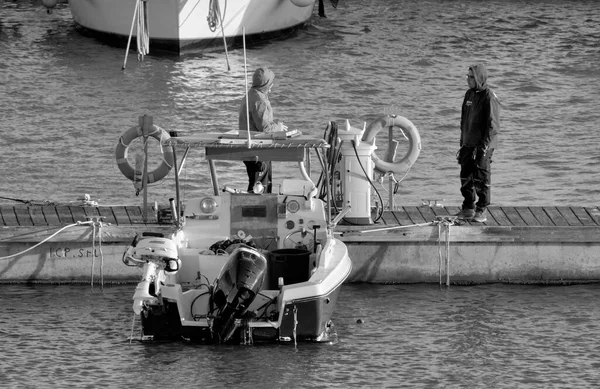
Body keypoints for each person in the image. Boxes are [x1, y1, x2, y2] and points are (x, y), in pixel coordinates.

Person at [455, 64, 500, 223]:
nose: (468, 79)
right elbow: (463, 121)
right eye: (467, 76)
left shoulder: (489, 97)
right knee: (466, 176)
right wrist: (463, 143)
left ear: (479, 78)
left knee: (481, 177)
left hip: (483, 145)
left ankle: (481, 209)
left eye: (471, 77)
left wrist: (483, 148)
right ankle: (468, 207)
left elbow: (493, 126)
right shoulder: (469, 95)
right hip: (468, 143)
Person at [239, 67, 287, 193]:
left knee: (255, 184)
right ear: (265, 84)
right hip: (258, 150)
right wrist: (279, 126)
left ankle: (253, 209)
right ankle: (256, 211)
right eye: (270, 83)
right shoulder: (259, 101)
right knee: (259, 188)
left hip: (248, 148)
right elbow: (265, 128)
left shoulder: (250, 94)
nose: (272, 86)